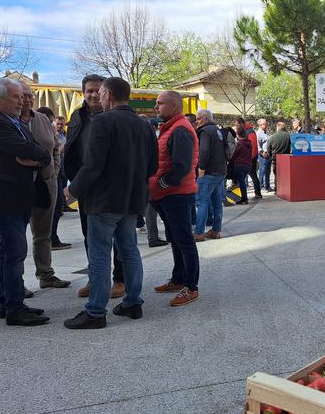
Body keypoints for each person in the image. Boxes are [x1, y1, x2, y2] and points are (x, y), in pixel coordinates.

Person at [63, 77, 158, 329]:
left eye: (100, 93)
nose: (98, 97)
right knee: (129, 250)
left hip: (104, 201)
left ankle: (95, 312)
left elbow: (92, 165)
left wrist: (73, 189)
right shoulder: (144, 125)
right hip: (132, 199)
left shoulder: (102, 121)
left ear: (107, 94)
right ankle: (133, 302)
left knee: (100, 254)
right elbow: (153, 166)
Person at [0, 77, 51, 326]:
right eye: (16, 96)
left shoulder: (16, 122)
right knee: (15, 252)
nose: (22, 101)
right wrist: (35, 155)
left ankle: (8, 302)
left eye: (22, 96)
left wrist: (37, 157)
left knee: (8, 252)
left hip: (19, 196)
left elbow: (37, 151)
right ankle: (15, 309)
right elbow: (30, 149)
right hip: (4, 198)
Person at [65, 74, 125, 299]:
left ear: (105, 92)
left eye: (97, 90)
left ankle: (120, 280)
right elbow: (71, 149)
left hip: (111, 187)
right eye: (89, 90)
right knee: (90, 236)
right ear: (83, 93)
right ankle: (97, 278)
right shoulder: (77, 117)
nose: (93, 94)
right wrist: (73, 181)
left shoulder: (114, 116)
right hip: (86, 186)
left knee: (118, 237)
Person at [149, 91, 200, 307]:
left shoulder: (179, 130)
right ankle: (178, 279)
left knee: (185, 241)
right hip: (167, 195)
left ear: (174, 106)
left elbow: (181, 166)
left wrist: (160, 185)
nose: (156, 108)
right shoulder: (170, 128)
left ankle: (191, 287)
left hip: (176, 195)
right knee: (176, 240)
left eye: (160, 104)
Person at [18, 84, 70, 289]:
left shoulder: (42, 120)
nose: (28, 100)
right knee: (16, 236)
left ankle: (46, 274)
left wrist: (53, 172)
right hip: (18, 185)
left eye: (31, 96)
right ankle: (17, 283)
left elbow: (55, 147)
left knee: (43, 233)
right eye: (23, 97)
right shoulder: (7, 121)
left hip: (46, 182)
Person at [194, 109, 227, 242]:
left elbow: (204, 150)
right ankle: (215, 231)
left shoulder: (205, 131)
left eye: (198, 118)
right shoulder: (218, 130)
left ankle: (199, 232)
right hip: (221, 170)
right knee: (217, 202)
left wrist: (201, 167)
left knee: (202, 201)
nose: (196, 121)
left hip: (209, 171)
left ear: (206, 118)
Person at [42, 109, 72, 250]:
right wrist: (59, 149)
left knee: (58, 207)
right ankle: (51, 239)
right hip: (52, 175)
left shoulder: (63, 134)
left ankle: (52, 237)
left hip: (60, 173)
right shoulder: (47, 134)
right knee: (54, 209)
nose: (58, 125)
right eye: (56, 123)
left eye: (61, 123)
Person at [235, 117, 261, 199]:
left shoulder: (250, 132)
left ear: (242, 124)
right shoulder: (247, 131)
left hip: (250, 159)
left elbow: (254, 148)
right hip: (247, 159)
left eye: (237, 125)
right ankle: (256, 193)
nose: (236, 127)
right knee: (250, 176)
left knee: (253, 175)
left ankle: (257, 193)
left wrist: (250, 158)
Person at [266, 121, 291, 193]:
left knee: (277, 174)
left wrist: (271, 157)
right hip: (286, 158)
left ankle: (277, 189)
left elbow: (268, 149)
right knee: (286, 175)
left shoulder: (272, 137)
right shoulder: (289, 136)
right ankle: (286, 189)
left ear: (277, 127)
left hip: (276, 159)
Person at [232, 128, 253, 205]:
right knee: (242, 182)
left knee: (241, 182)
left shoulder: (239, 143)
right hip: (248, 165)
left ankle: (244, 198)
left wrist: (231, 161)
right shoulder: (249, 143)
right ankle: (243, 198)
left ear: (238, 135)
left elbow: (235, 154)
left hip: (239, 165)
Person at [256, 118, 272, 192]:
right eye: (264, 124)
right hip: (263, 155)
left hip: (268, 155)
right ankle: (261, 186)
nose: (266, 125)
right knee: (262, 171)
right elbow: (257, 145)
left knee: (268, 171)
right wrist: (262, 152)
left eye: (266, 123)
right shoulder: (258, 133)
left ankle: (267, 186)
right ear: (260, 124)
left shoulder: (265, 133)